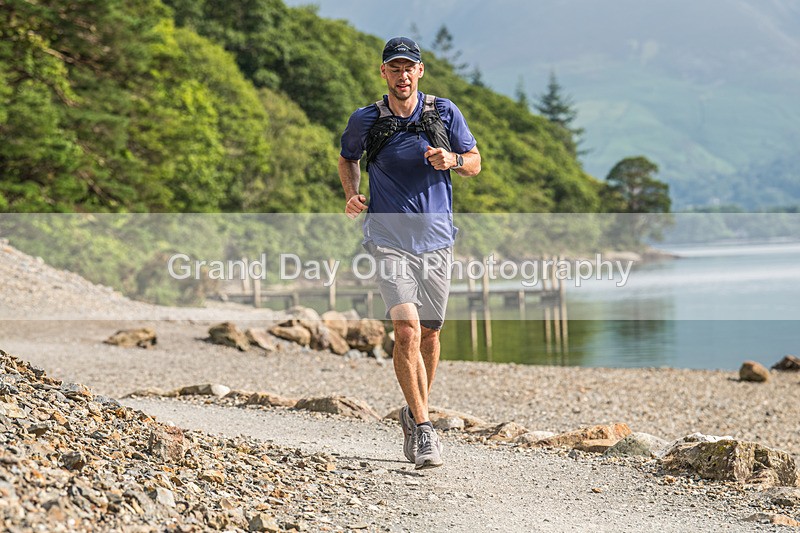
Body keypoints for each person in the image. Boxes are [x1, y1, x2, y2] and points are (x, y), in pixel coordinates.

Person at [338, 36, 481, 469]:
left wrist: (452, 160)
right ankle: (423, 428)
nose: (402, 75)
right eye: (394, 68)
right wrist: (352, 193)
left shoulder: (444, 112)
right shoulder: (366, 119)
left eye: (409, 68)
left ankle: (413, 411)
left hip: (438, 239)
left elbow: (475, 161)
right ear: (384, 72)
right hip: (387, 238)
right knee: (406, 332)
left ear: (420, 72)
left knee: (432, 334)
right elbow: (347, 159)